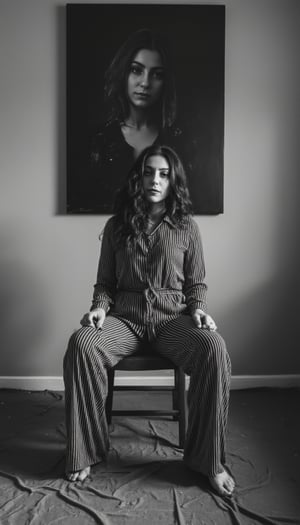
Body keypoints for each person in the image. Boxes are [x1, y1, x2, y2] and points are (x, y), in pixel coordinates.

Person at [63, 144, 235, 497]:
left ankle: (208, 460)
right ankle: (86, 452)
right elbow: (105, 283)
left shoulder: (187, 227)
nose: (155, 179)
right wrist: (99, 306)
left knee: (214, 347)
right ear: (137, 178)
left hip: (172, 320)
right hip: (124, 320)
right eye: (148, 172)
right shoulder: (116, 226)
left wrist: (198, 308)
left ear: (173, 181)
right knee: (82, 342)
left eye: (164, 173)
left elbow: (195, 283)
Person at [79, 28, 186, 213]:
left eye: (157, 74)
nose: (145, 83)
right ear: (123, 73)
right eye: (136, 70)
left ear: (166, 81)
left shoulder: (181, 141)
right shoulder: (97, 141)